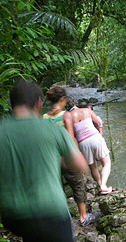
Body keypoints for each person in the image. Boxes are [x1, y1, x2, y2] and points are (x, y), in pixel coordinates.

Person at [0, 80, 87, 242]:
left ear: (12, 104)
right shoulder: (50, 129)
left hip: (14, 216)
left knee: (31, 235)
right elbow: (80, 165)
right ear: (38, 103)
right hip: (50, 212)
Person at [43, 87, 100, 226]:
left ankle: (62, 218)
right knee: (78, 185)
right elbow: (70, 138)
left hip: (52, 158)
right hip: (66, 158)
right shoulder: (65, 115)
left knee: (58, 188)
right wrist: (78, 156)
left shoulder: (44, 117)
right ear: (63, 99)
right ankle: (83, 216)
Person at [65, 96, 113, 194]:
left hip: (83, 143)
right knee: (106, 163)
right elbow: (99, 123)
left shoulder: (68, 117)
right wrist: (100, 134)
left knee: (93, 167)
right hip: (95, 138)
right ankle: (104, 185)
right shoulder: (87, 110)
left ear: (66, 107)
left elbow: (71, 136)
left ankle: (100, 186)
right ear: (75, 103)